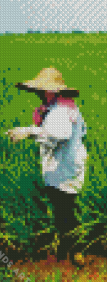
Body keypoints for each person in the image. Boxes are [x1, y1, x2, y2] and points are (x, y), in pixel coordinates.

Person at [5, 67, 88, 263]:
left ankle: (77, 251)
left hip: (65, 169)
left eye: (41, 91)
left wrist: (29, 131)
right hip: (65, 166)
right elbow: (80, 132)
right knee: (63, 210)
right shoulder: (62, 108)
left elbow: (61, 134)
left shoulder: (60, 110)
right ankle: (66, 250)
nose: (38, 94)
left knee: (67, 210)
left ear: (53, 91)